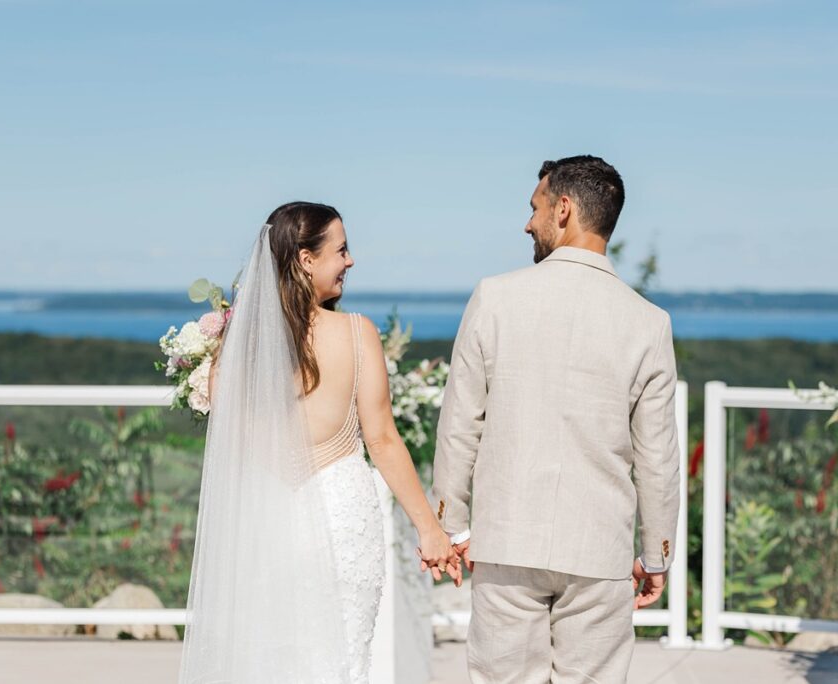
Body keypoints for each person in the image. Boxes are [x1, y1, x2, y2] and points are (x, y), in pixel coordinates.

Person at [178, 201, 460, 684]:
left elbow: (237, 447)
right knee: (343, 664)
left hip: (265, 522)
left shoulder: (236, 346)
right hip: (340, 518)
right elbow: (383, 440)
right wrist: (430, 530)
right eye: (342, 250)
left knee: (269, 663)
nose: (350, 261)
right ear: (307, 260)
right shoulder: (356, 333)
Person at [433, 156, 681, 684]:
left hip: (506, 539)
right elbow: (657, 457)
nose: (528, 223)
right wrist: (656, 553)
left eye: (535, 208)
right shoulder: (648, 323)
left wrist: (451, 525)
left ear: (563, 208)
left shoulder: (494, 298)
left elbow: (460, 424)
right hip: (599, 547)